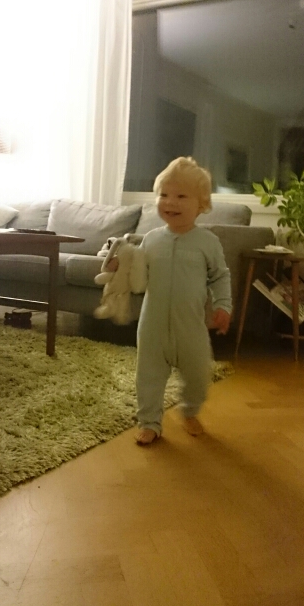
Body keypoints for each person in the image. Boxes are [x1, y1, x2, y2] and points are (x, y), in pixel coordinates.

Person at [134, 156, 232, 445]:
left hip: (190, 327)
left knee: (199, 375)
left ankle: (190, 410)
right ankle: (150, 422)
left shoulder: (207, 242)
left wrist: (223, 305)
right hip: (152, 327)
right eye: (164, 194)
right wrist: (118, 264)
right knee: (148, 377)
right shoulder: (151, 239)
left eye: (180, 196)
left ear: (201, 204)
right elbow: (135, 274)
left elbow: (220, 276)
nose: (170, 202)